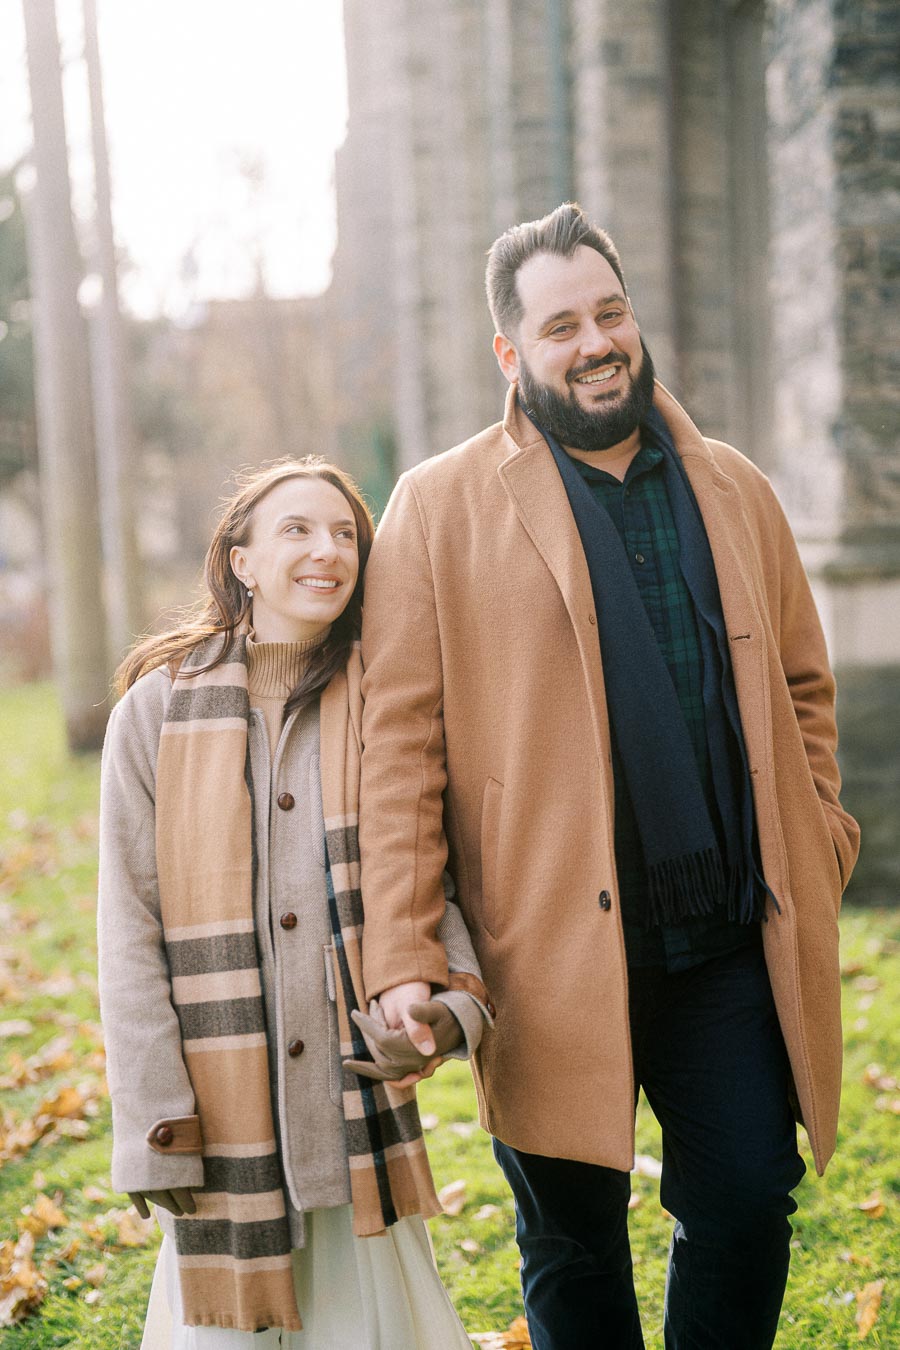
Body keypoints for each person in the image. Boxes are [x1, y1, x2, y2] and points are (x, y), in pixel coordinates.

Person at [357, 203, 860, 1349]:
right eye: (561, 326)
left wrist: (817, 834)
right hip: (545, 946)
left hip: (730, 938)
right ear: (512, 353)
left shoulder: (735, 486)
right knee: (574, 1244)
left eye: (610, 312)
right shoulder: (437, 509)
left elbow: (802, 687)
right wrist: (402, 950)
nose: (596, 342)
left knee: (744, 1206)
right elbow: (399, 750)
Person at [97, 458, 490, 1348]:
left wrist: (450, 1003)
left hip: (351, 1102)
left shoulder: (389, 698)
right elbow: (129, 927)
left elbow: (427, 863)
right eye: (298, 530)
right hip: (218, 1096)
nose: (328, 550)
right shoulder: (156, 712)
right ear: (240, 562)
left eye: (347, 533)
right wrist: (154, 1113)